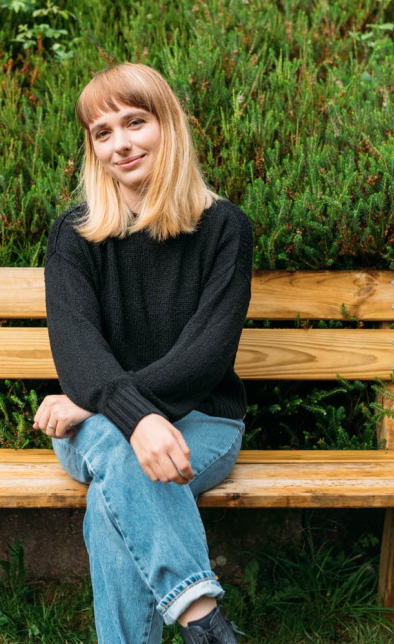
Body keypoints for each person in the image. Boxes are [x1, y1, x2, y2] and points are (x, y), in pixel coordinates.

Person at [33, 62, 252, 644]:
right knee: (123, 449)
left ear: (169, 125)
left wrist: (97, 401)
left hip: (202, 422)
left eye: (135, 122)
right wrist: (130, 414)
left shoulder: (225, 228)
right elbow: (76, 349)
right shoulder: (74, 235)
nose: (121, 144)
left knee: (115, 488)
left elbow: (205, 356)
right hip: (96, 430)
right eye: (102, 132)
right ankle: (202, 618)